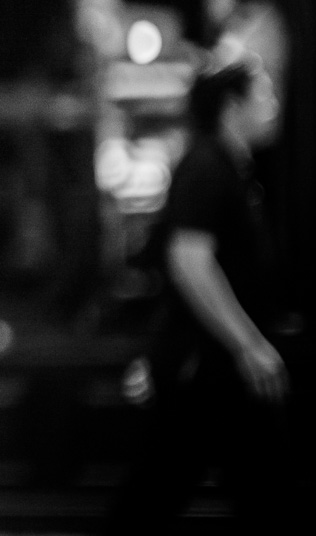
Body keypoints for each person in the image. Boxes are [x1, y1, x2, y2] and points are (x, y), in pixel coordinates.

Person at [108, 58, 297, 533]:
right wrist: (249, 345)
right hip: (202, 366)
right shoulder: (208, 166)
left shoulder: (228, 166)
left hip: (214, 368)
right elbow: (190, 261)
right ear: (233, 105)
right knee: (157, 494)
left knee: (256, 489)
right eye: (265, 95)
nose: (275, 106)